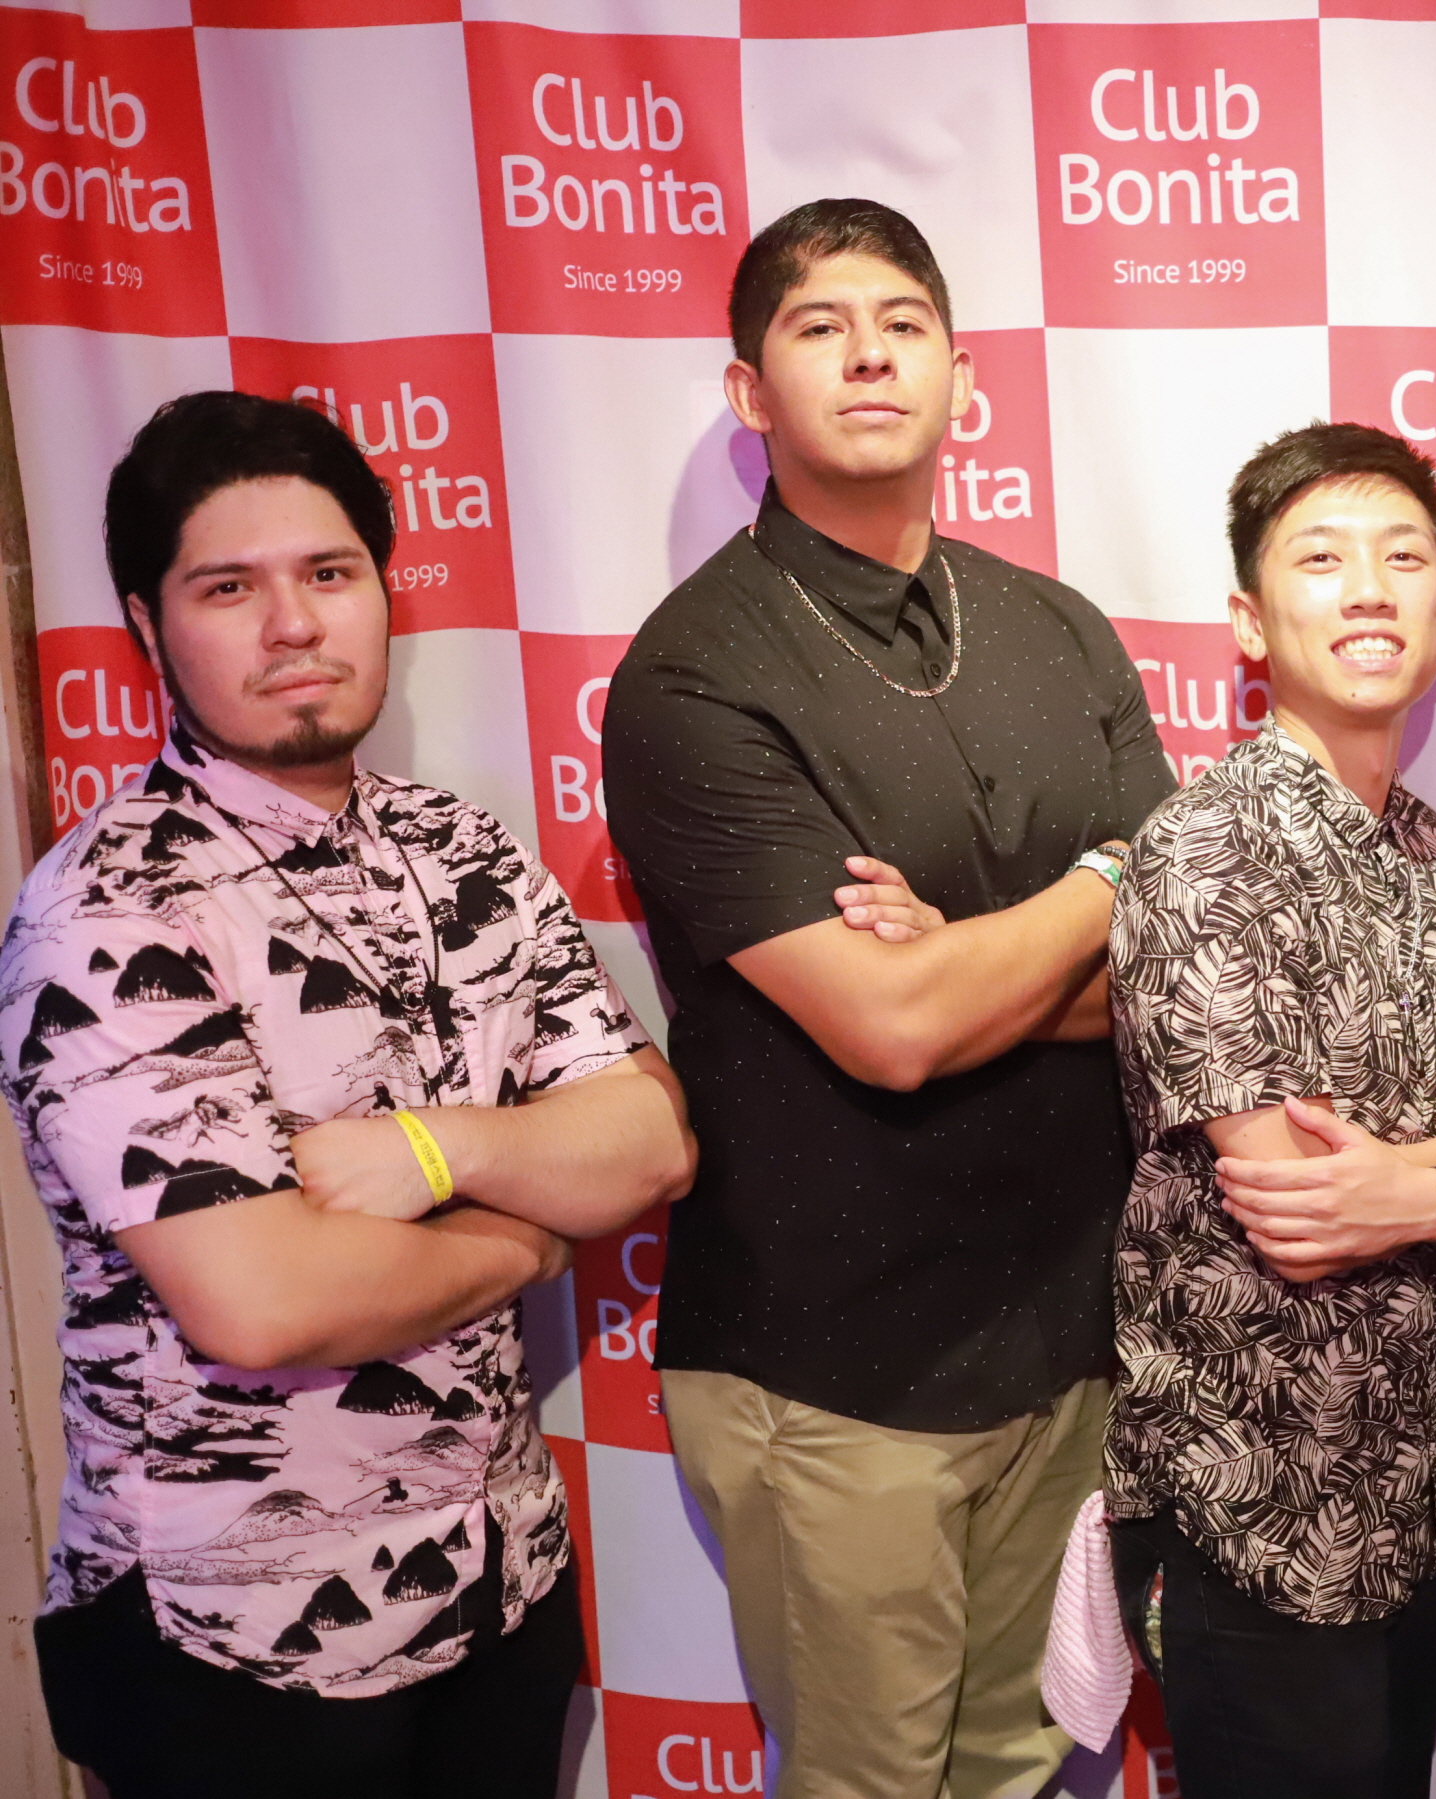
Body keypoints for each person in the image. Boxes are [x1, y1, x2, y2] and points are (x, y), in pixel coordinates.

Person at [6, 391, 695, 1799]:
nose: (292, 625)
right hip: (234, 1639)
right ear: (146, 624)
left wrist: (433, 1151)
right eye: (227, 588)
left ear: (383, 592)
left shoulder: (461, 849)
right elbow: (264, 1303)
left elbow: (650, 1140)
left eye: (328, 573)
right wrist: (530, 1234)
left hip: (496, 1584)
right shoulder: (109, 909)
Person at [600, 199, 1176, 1799]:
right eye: (820, 326)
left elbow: (1182, 977)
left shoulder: (1058, 630)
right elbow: (893, 1030)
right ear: (749, 392)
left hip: (1069, 1338)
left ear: (962, 380)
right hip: (833, 1371)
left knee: (1012, 1769)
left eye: (904, 324)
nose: (869, 354)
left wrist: (962, 958)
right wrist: (1104, 879)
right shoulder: (694, 676)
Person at [1089, 422, 1436, 1799]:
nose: (1371, 590)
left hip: (1417, 1493)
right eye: (1324, 559)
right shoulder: (1203, 847)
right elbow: (1299, 1203)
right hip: (1250, 1510)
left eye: (1405, 558)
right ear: (1249, 622)